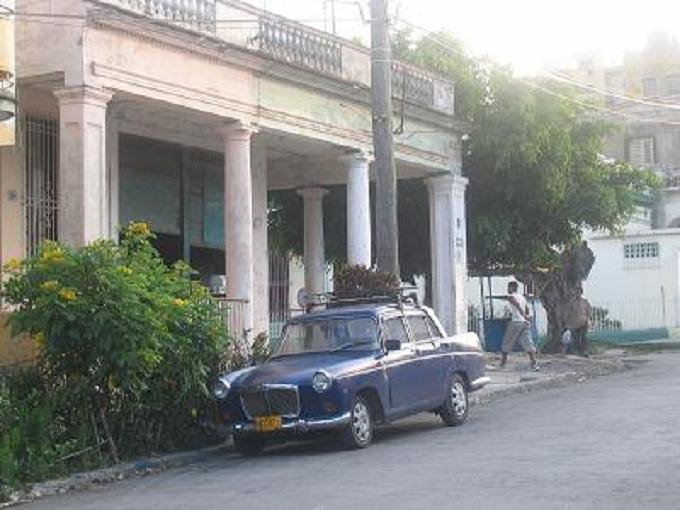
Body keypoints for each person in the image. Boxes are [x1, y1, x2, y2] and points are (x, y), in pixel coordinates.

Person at [500, 281, 540, 370]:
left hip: (516, 322)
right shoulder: (522, 297)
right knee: (528, 342)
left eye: (509, 287)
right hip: (524, 323)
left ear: (512, 288)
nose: (507, 289)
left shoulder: (511, 297)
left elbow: (517, 305)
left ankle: (503, 364)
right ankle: (534, 363)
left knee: (507, 342)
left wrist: (523, 315)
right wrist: (526, 317)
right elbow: (527, 308)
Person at [564, 286, 592, 356]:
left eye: (579, 292)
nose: (577, 293)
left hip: (583, 322)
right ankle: (578, 351)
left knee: (583, 337)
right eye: (576, 292)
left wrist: (588, 320)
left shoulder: (585, 302)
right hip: (574, 324)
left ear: (581, 293)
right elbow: (568, 313)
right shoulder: (572, 302)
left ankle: (585, 351)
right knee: (575, 338)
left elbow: (589, 311)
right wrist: (567, 323)